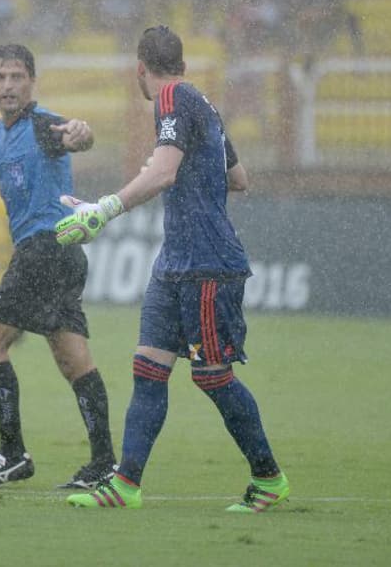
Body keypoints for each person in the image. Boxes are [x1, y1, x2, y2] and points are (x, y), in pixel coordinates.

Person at [56, 26, 289, 512]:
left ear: (139, 69)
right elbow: (238, 178)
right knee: (148, 368)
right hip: (176, 262)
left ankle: (269, 479)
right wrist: (158, 172)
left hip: (206, 262)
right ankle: (125, 484)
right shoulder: (201, 102)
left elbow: (164, 172)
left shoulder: (169, 97)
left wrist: (103, 210)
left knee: (212, 376)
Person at [0, 44, 116, 489]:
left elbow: (80, 136)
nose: (7, 86)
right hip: (62, 254)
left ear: (32, 82)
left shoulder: (43, 126)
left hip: (45, 248)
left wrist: (82, 132)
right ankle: (104, 464)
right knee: (73, 359)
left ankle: (13, 454)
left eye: (16, 77)